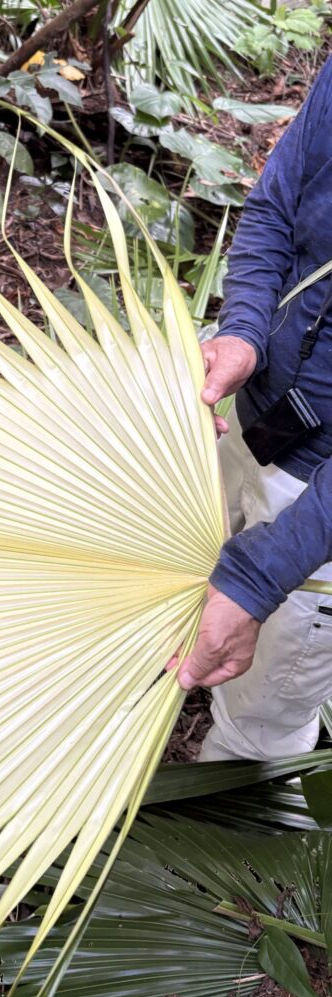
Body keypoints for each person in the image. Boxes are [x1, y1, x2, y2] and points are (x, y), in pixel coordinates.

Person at [177, 56, 332, 761]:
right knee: (195, 594)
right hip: (253, 406)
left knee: (258, 731)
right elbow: (275, 207)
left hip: (320, 512)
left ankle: (211, 853)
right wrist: (242, 330)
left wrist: (263, 575)